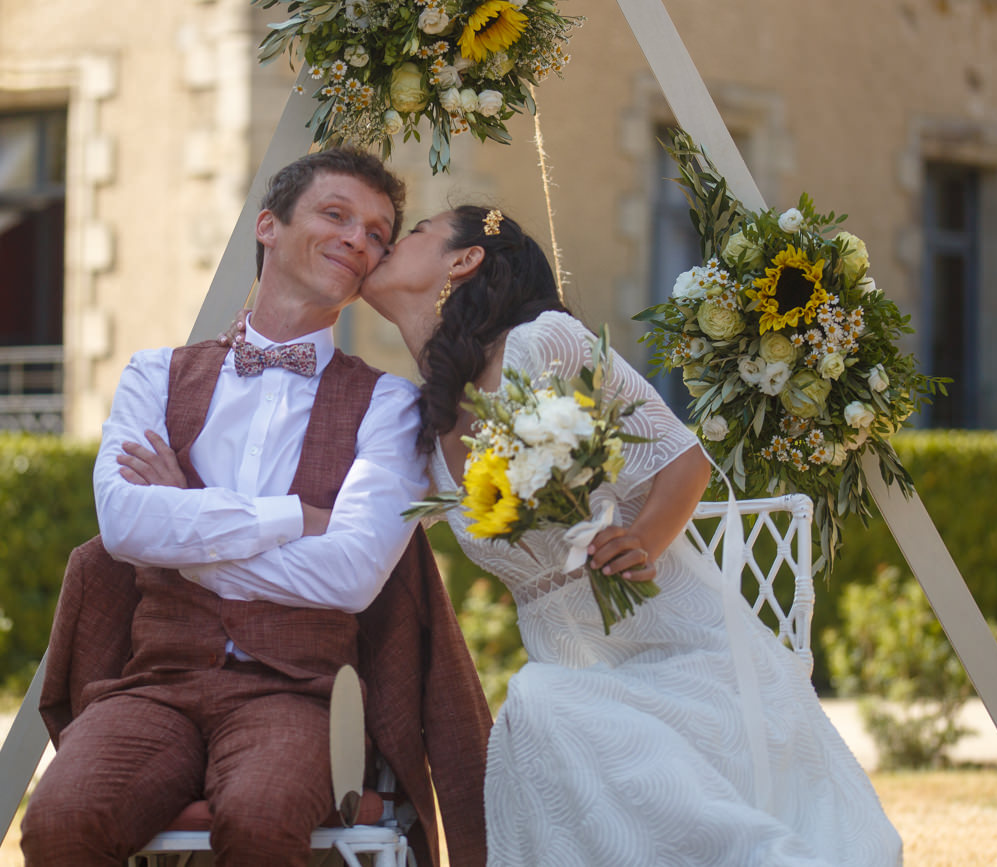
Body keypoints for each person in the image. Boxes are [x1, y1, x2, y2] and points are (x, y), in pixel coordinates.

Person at [354, 204, 904, 865]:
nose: (387, 242)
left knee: (537, 704)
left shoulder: (543, 343)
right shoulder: (423, 425)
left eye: (414, 232)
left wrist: (642, 537)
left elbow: (685, 459)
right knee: (542, 705)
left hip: (675, 649)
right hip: (573, 666)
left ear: (465, 260)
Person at [20, 149, 491, 867]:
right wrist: (294, 517)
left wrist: (187, 520)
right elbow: (124, 525)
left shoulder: (391, 405)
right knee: (61, 820)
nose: (357, 239)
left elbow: (350, 576)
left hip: (298, 692)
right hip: (154, 684)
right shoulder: (154, 374)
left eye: (376, 232)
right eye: (336, 214)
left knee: (263, 817)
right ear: (267, 225)